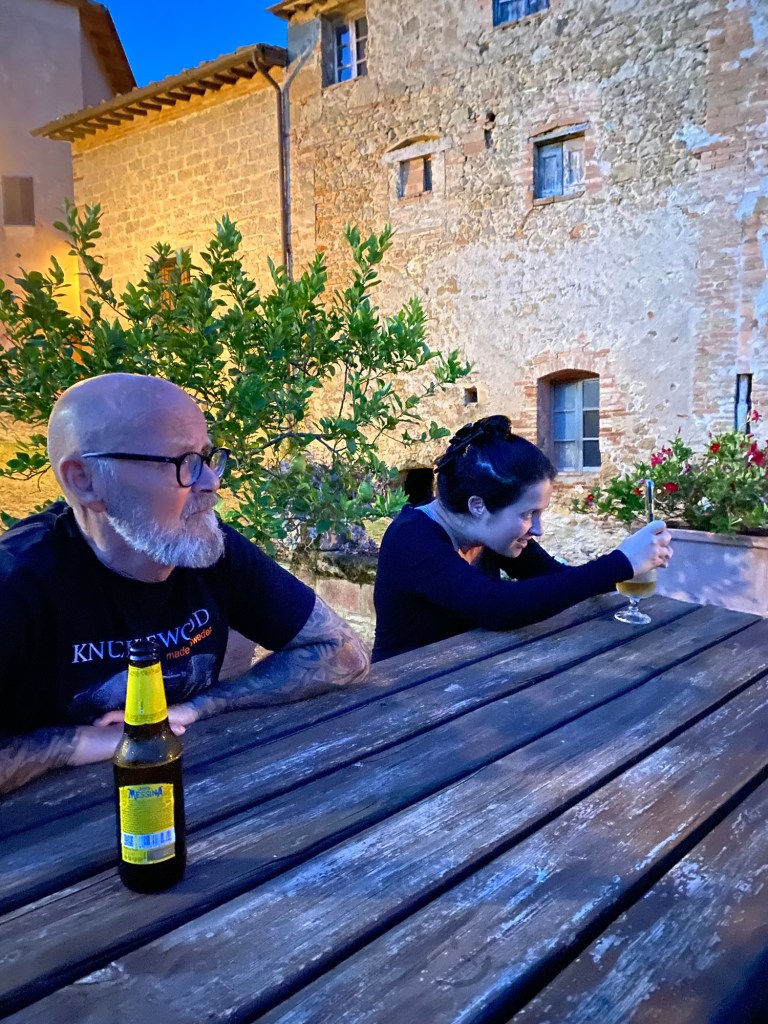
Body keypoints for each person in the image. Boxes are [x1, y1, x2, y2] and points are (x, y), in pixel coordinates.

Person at [0, 373, 370, 794]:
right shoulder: (17, 581)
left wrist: (197, 707)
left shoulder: (205, 546)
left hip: (204, 792)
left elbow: (344, 653)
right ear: (85, 480)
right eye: (182, 463)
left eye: (208, 458)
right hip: (50, 824)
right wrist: (72, 744)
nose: (212, 483)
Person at [372, 415, 673, 662]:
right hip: (401, 696)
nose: (538, 529)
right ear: (478, 506)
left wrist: (632, 563)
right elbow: (498, 607)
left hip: (465, 677)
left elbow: (554, 577)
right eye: (529, 514)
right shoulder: (412, 538)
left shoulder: (488, 533)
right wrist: (620, 564)